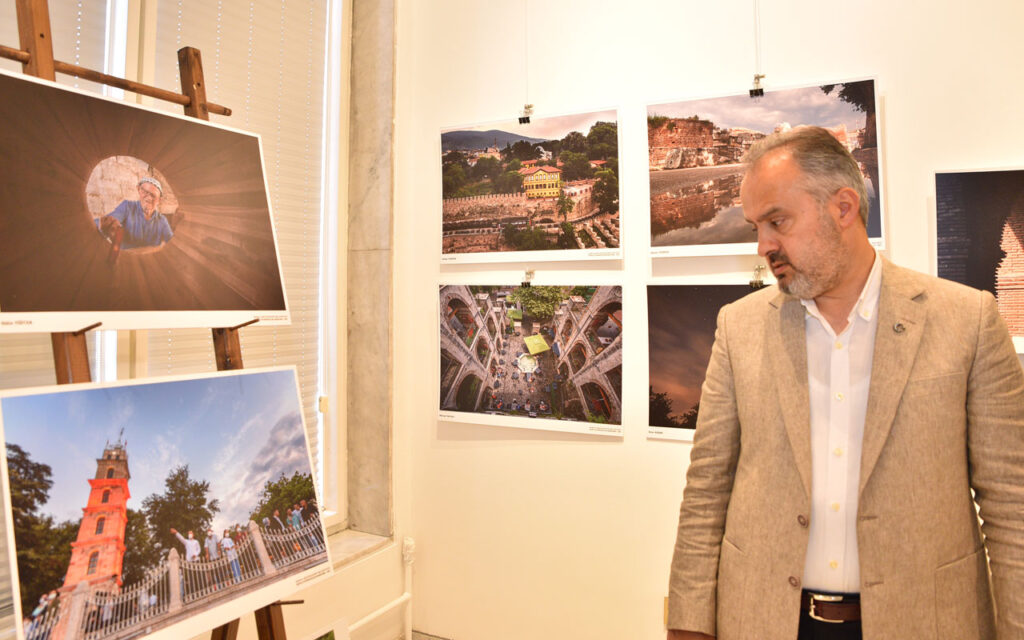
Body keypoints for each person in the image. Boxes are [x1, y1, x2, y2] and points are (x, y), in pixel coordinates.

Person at [666, 126, 1024, 640]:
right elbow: (706, 491)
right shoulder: (739, 327)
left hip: (925, 621)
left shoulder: (966, 320)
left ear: (843, 207)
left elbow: (1012, 506)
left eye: (778, 221)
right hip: (766, 619)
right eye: (756, 227)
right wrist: (689, 625)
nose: (765, 245)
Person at [96, 177, 173, 249]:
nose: (149, 198)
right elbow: (109, 220)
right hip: (125, 259)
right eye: (145, 192)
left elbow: (171, 242)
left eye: (153, 195)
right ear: (139, 190)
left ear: (159, 200)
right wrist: (105, 224)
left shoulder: (162, 220)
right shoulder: (127, 207)